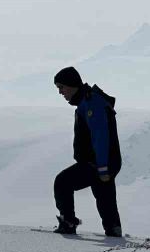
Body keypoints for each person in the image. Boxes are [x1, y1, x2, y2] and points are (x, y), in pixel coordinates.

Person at [52, 67, 123, 237]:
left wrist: (103, 166)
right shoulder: (88, 101)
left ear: (71, 84)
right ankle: (114, 231)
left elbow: (101, 135)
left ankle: (68, 223)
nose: (61, 92)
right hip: (103, 162)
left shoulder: (91, 103)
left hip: (98, 163)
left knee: (62, 182)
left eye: (61, 87)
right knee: (105, 199)